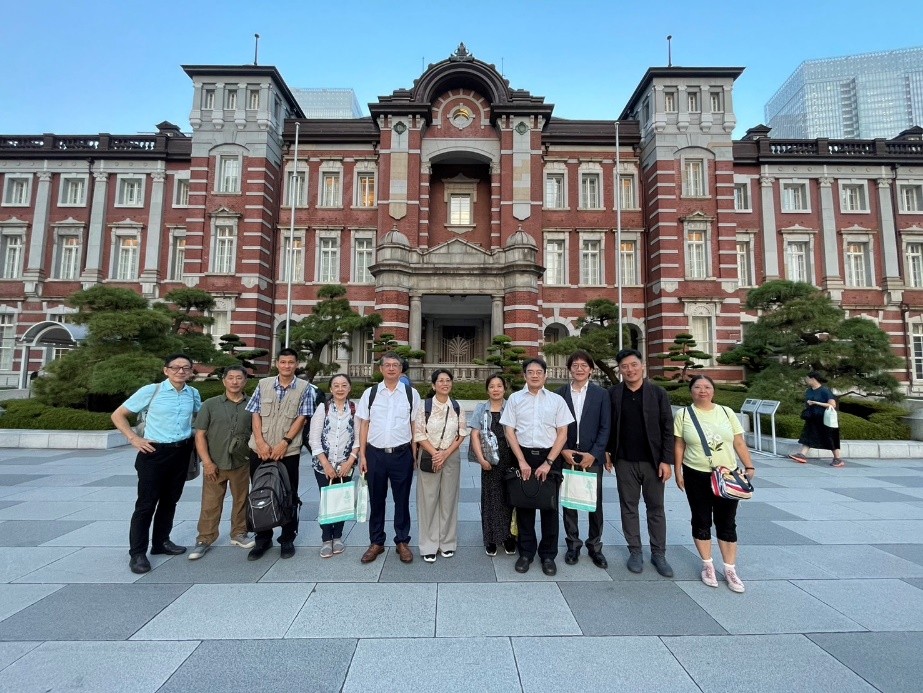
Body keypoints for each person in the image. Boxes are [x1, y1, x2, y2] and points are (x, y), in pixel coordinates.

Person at [111, 353, 202, 574]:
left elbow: (199, 420)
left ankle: (161, 541)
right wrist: (134, 438)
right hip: (154, 453)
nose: (181, 371)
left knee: (170, 500)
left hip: (181, 452)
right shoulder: (152, 390)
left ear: (191, 371)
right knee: (146, 504)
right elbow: (118, 415)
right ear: (166, 370)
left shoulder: (193, 393)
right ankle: (138, 553)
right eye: (175, 367)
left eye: (185, 368)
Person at [674, 374, 756, 593]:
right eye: (698, 387)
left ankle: (730, 569)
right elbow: (679, 445)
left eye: (707, 387)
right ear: (691, 391)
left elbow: (738, 441)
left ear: (713, 391)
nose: (703, 391)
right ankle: (707, 565)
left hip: (727, 474)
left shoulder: (727, 412)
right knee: (700, 519)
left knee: (727, 521)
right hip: (696, 473)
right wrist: (678, 470)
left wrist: (749, 466)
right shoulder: (683, 415)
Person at [500, 357, 573, 576]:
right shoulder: (514, 399)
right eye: (530, 372)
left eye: (538, 372)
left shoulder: (556, 400)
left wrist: (549, 462)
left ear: (545, 375)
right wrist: (521, 460)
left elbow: (563, 433)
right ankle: (526, 553)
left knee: (549, 508)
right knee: (524, 506)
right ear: (524, 375)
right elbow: (509, 431)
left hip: (549, 456)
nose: (534, 375)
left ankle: (548, 555)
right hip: (522, 455)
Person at [606, 348, 676, 577]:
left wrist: (667, 460)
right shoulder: (614, 394)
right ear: (620, 370)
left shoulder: (657, 393)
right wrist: (607, 451)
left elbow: (668, 429)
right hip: (624, 461)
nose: (629, 370)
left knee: (656, 508)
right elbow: (608, 425)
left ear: (642, 366)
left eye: (633, 365)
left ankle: (658, 553)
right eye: (624, 366)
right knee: (629, 507)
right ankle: (635, 551)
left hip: (653, 462)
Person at [245, 348, 315, 561]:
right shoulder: (263, 384)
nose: (286, 366)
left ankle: (287, 538)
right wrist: (260, 442)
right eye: (283, 362)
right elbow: (255, 413)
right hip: (260, 449)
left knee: (288, 494)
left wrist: (284, 443)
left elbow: (302, 418)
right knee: (260, 491)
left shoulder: (305, 388)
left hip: (289, 451)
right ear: (277, 363)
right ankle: (262, 538)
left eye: (290, 362)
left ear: (296, 364)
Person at [357, 351, 421, 564]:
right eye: (388, 365)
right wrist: (362, 455)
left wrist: (414, 455)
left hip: (402, 454)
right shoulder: (371, 393)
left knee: (402, 500)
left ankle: (402, 541)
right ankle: (376, 541)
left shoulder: (412, 394)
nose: (392, 368)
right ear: (381, 369)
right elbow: (364, 424)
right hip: (375, 454)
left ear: (401, 369)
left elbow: (415, 426)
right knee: (376, 500)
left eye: (396, 365)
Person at [188, 365, 254, 560]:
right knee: (211, 502)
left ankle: (239, 533)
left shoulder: (252, 405)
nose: (235, 382)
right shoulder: (210, 404)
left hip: (241, 462)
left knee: (241, 499)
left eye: (239, 378)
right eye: (230, 377)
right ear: (223, 380)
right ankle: (205, 539)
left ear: (245, 381)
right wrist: (207, 462)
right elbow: (199, 435)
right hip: (215, 462)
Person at [555, 350, 611, 569]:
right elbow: (554, 426)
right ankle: (573, 545)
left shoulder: (601, 394)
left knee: (594, 503)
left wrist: (595, 454)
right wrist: (563, 451)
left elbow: (605, 427)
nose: (579, 369)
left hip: (591, 456)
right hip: (568, 454)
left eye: (584, 365)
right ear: (570, 368)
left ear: (591, 369)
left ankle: (595, 546)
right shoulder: (559, 394)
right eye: (575, 365)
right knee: (569, 502)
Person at [414, 369, 468, 562]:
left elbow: (462, 433)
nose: (444, 384)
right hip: (429, 455)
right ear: (433, 385)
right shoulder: (424, 406)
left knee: (448, 500)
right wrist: (435, 453)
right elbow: (418, 433)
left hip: (451, 456)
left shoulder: (456, 406)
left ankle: (447, 542)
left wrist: (445, 453)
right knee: (427, 500)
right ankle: (428, 544)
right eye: (440, 381)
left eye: (448, 380)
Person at [309, 373, 359, 558]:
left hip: (346, 465)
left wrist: (350, 460)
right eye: (336, 385)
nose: (340, 389)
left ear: (349, 388)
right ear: (331, 389)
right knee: (326, 500)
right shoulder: (323, 408)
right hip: (323, 465)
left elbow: (358, 439)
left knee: (341, 499)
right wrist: (326, 464)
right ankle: (325, 538)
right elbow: (314, 439)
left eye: (344, 385)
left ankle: (337, 536)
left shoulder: (354, 409)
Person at [469, 374, 516, 557]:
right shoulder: (481, 409)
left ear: (505, 388)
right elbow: (474, 434)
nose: (496, 389)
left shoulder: (511, 408)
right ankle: (491, 538)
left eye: (499, 386)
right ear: (487, 390)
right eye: (492, 386)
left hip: (509, 458)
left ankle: (508, 537)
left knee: (509, 499)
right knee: (491, 499)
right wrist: (481, 459)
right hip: (489, 460)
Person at [789, 371, 844, 467]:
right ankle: (802, 455)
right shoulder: (809, 391)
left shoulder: (825, 391)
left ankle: (837, 459)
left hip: (825, 419)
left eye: (807, 378)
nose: (806, 380)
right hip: (813, 418)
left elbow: (832, 405)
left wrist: (816, 403)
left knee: (830, 437)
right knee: (808, 435)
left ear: (813, 379)